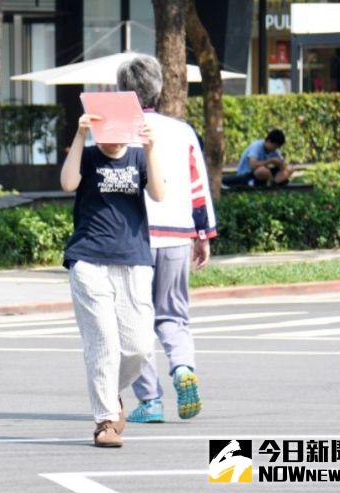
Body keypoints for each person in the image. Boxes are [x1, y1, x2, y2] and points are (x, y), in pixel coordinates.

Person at [114, 56, 218, 425]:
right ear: (158, 87)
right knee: (173, 315)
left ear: (122, 91)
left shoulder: (117, 130)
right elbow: (198, 186)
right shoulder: (182, 131)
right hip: (177, 234)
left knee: (135, 322)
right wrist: (202, 234)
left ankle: (151, 400)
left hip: (134, 237)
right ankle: (183, 369)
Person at [61, 106, 164, 448]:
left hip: (133, 259)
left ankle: (109, 393)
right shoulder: (89, 157)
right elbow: (67, 183)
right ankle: (105, 421)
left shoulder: (137, 156)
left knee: (140, 346)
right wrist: (79, 135)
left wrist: (150, 148)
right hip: (89, 259)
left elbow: (160, 193)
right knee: (104, 342)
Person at [224, 129, 292, 187]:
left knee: (289, 168)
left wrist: (281, 164)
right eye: (274, 147)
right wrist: (270, 161)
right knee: (262, 171)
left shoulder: (274, 151)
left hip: (265, 175)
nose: (275, 149)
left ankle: (273, 184)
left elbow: (284, 166)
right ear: (268, 141)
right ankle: (268, 182)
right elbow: (253, 165)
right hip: (248, 174)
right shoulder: (256, 146)